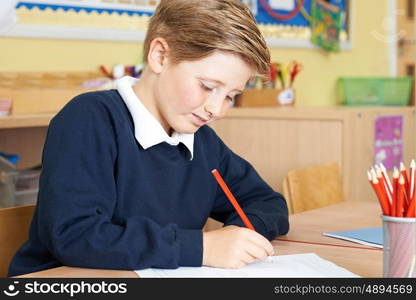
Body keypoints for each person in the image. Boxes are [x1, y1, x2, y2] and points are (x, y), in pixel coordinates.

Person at [8, 0, 289, 277]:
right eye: (207, 86)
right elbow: (74, 235)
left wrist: (237, 236)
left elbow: (268, 203)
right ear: (160, 56)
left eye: (231, 96)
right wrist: (202, 248)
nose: (216, 109)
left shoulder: (202, 142)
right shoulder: (89, 119)